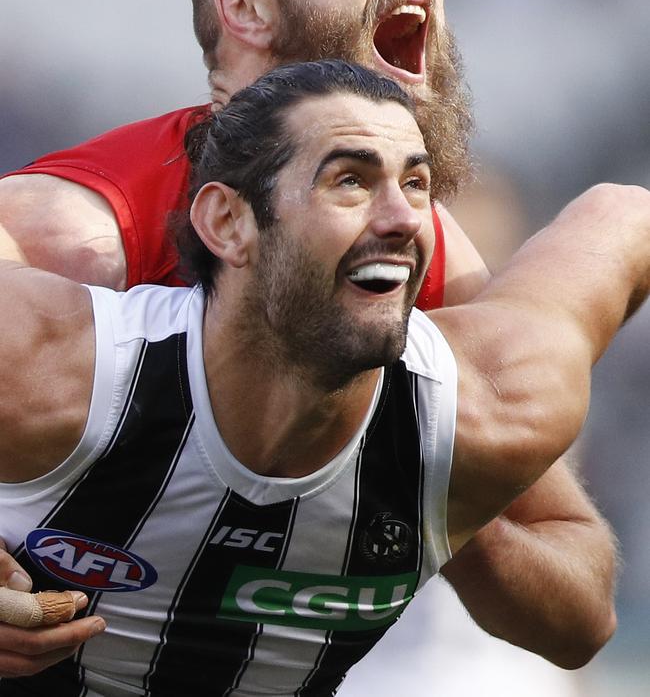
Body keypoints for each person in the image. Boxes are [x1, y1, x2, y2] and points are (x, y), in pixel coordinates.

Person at [0, 0, 617, 683]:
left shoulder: (429, 268)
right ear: (245, 11)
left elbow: (578, 609)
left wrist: (432, 498)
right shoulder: (75, 238)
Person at [0, 60, 648, 697]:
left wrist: (446, 511)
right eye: (351, 180)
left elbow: (627, 219)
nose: (404, 218)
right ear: (228, 222)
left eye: (418, 184)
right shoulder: (61, 366)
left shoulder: (486, 408)